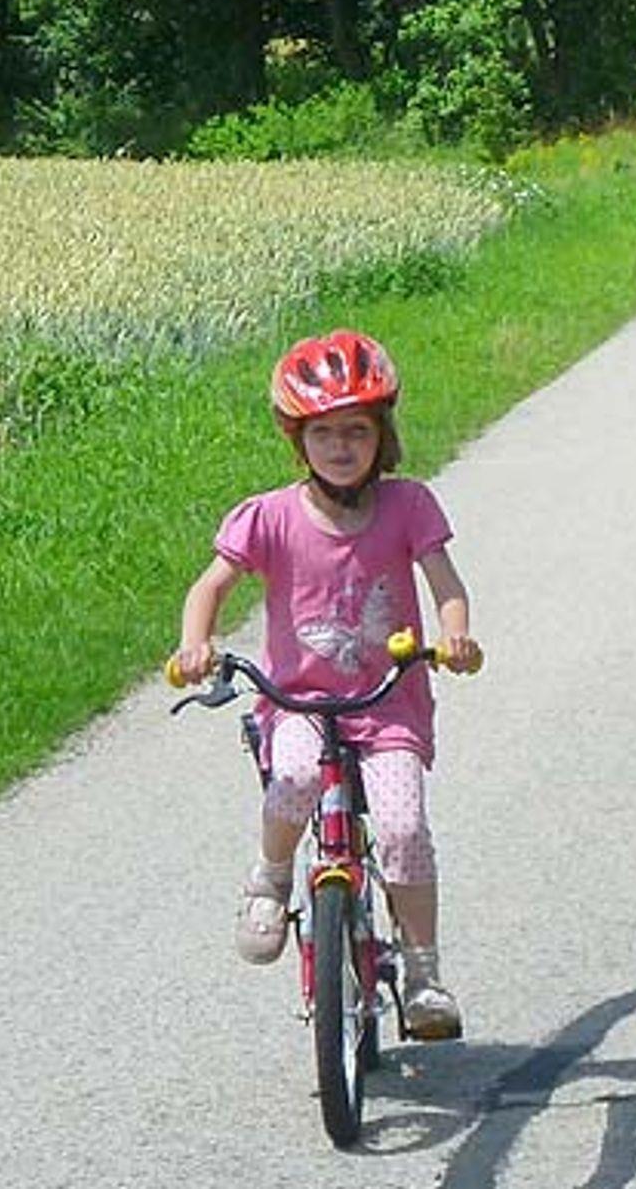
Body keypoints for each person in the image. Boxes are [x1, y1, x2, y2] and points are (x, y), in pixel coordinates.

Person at [170, 329, 483, 1041]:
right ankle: (271, 876)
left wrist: (455, 636)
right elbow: (210, 587)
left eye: (357, 431)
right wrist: (196, 644)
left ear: (382, 436)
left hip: (387, 704)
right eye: (323, 433)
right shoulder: (269, 517)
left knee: (402, 828)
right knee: (295, 781)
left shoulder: (409, 507)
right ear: (298, 439)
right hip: (300, 704)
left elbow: (446, 586)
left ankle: (424, 974)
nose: (341, 447)